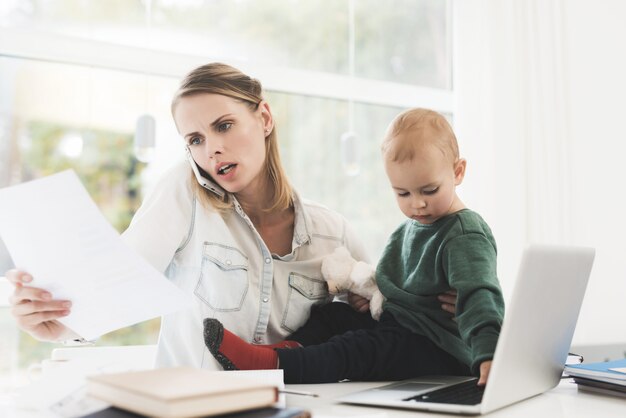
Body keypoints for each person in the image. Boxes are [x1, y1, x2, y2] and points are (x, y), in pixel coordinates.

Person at [4, 64, 458, 370]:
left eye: (223, 126)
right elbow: (122, 277)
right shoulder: (187, 194)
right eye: (194, 139)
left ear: (263, 118)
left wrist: (448, 309)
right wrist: (60, 319)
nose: (211, 149)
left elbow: (380, 317)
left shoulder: (330, 232)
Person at [203, 108, 505, 385]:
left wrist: (488, 355)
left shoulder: (464, 234)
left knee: (358, 349)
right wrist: (374, 299)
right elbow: (403, 289)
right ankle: (281, 351)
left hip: (438, 347)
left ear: (458, 172)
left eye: (429, 190)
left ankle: (272, 365)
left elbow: (479, 297)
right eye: (402, 193)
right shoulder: (412, 227)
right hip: (401, 325)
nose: (417, 204)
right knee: (333, 316)